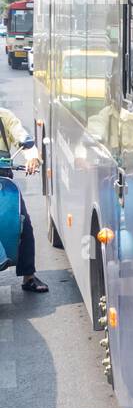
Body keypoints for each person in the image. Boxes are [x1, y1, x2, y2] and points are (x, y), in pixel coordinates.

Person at [0, 105, 48, 293]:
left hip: (2, 182)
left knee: (23, 223)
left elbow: (24, 139)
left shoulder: (4, 116)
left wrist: (32, 157)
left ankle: (28, 276)